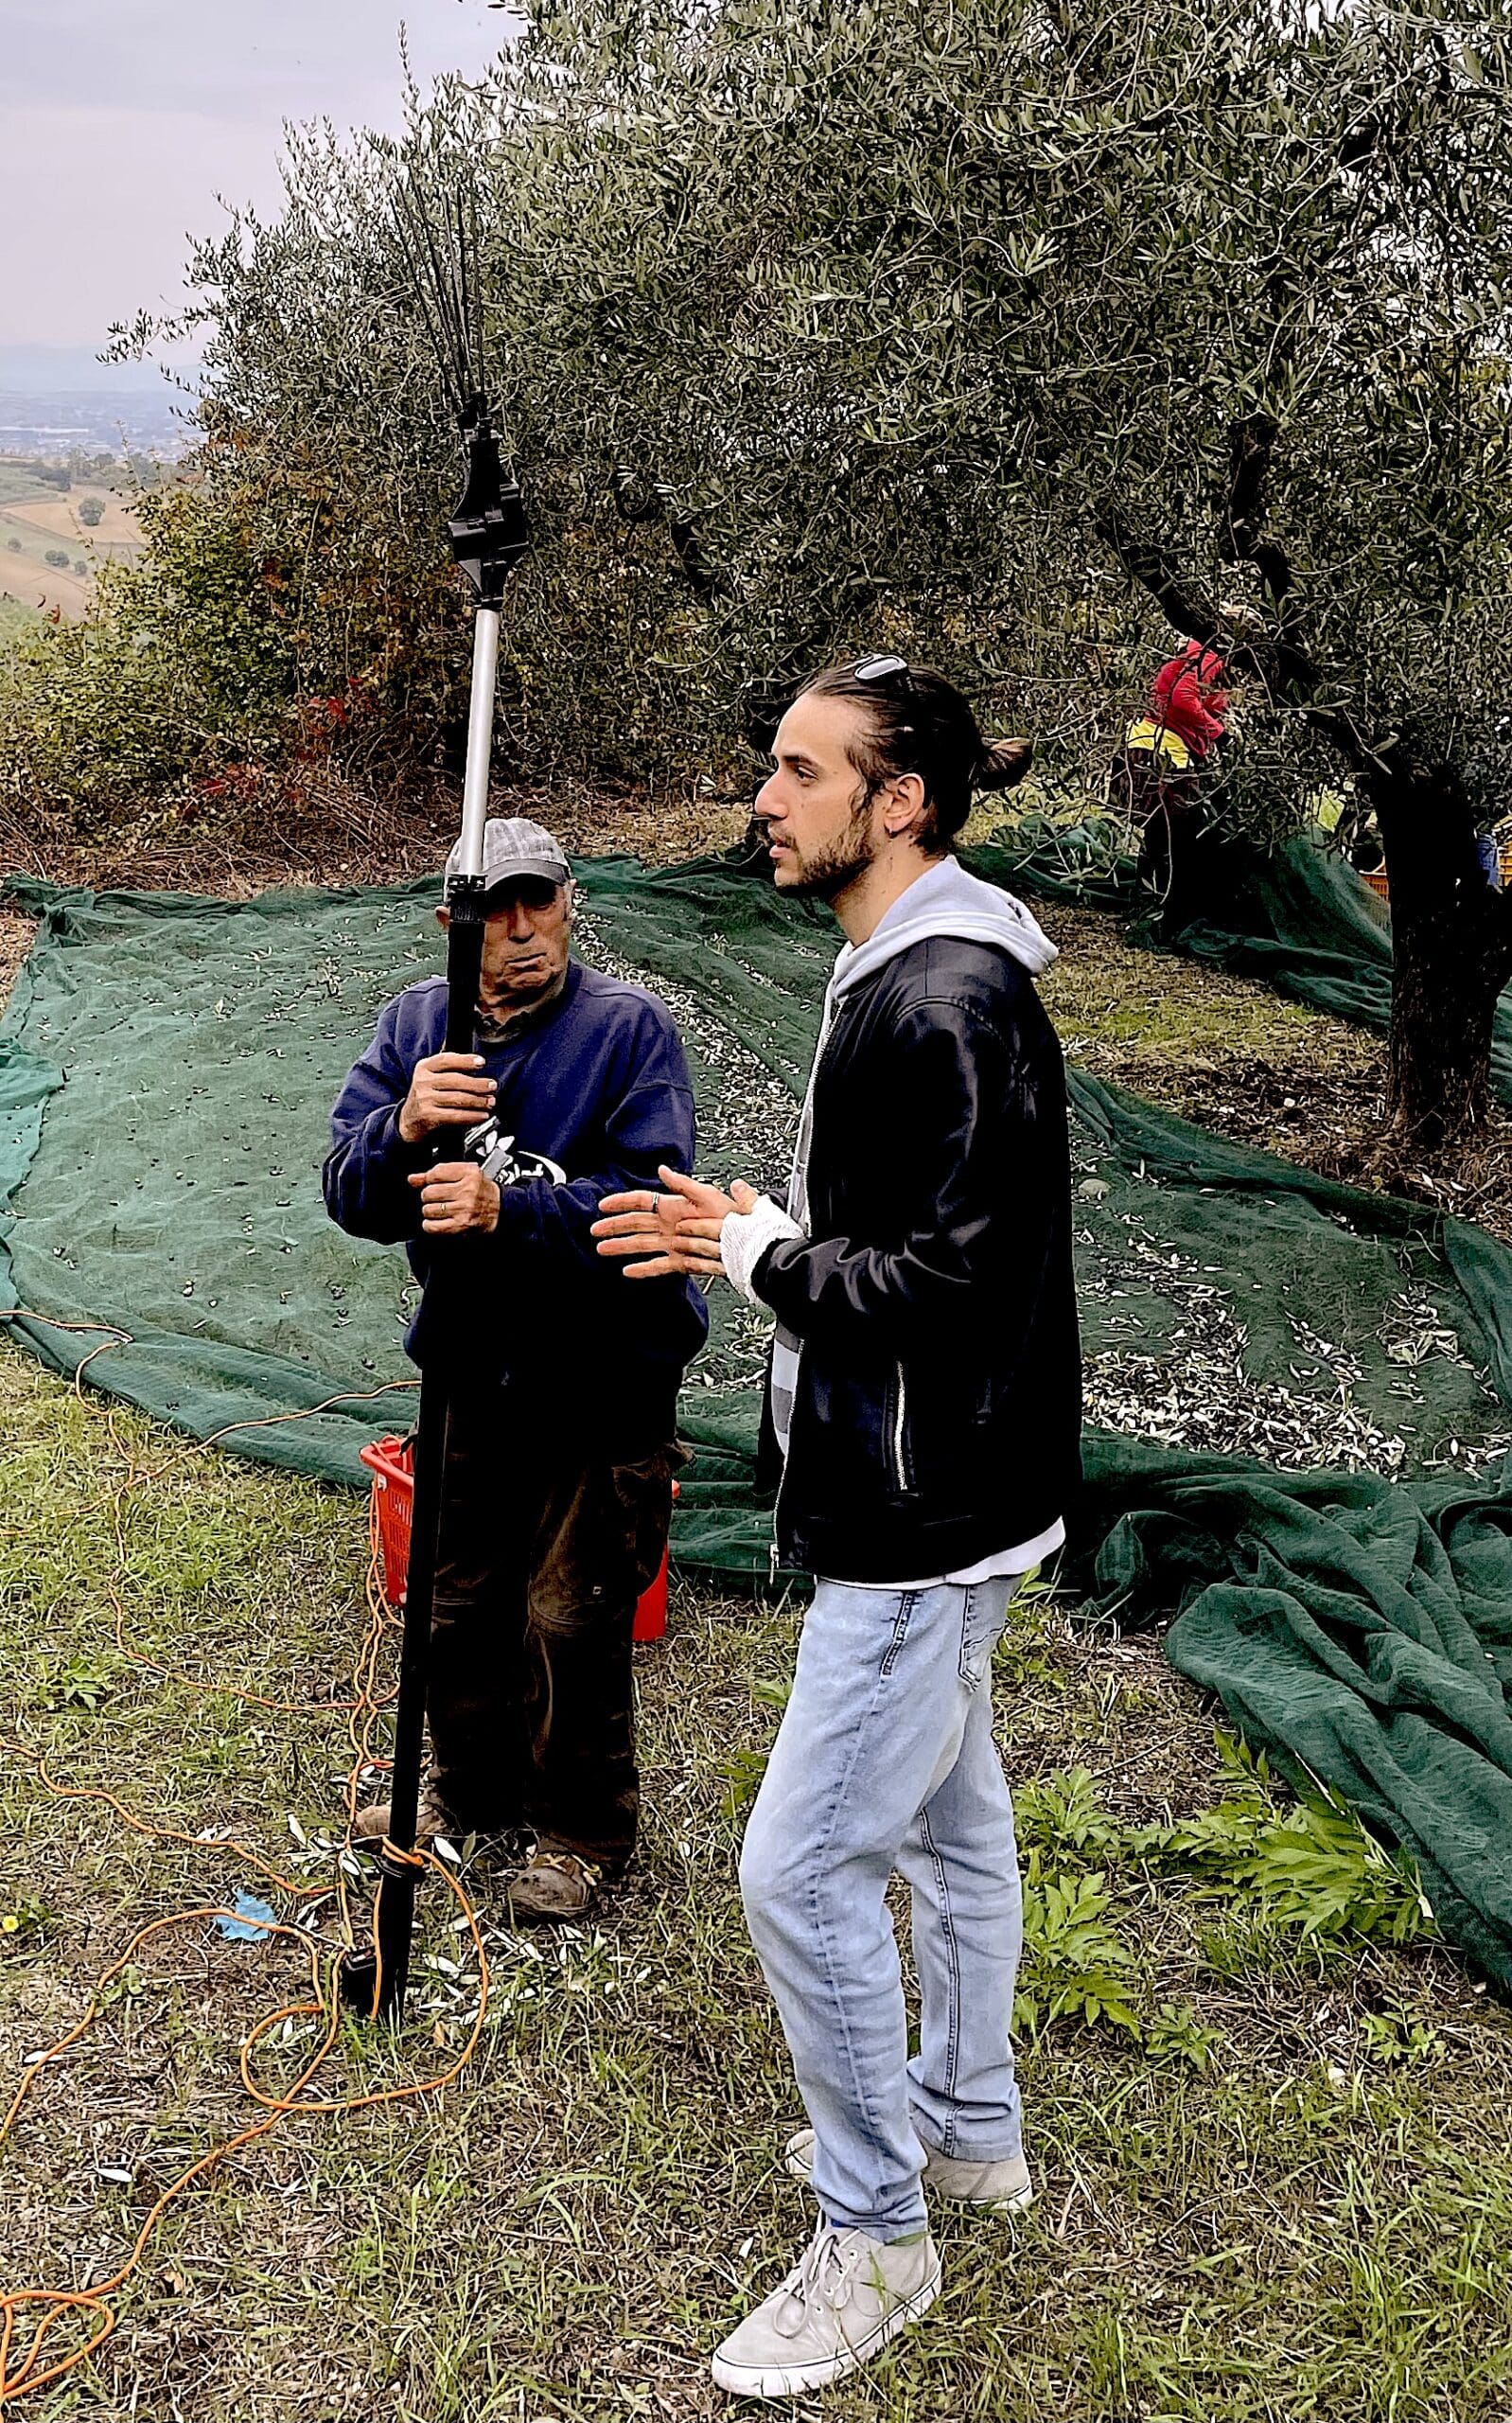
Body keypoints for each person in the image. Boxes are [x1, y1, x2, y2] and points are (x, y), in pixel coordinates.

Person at [592, 659, 1081, 2396]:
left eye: (801, 772)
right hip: (952, 1483)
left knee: (797, 1873)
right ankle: (966, 2131)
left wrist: (753, 1256)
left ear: (901, 802)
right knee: (949, 1825)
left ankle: (877, 2234)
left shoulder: (943, 995)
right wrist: (771, 1234)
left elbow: (950, 1289)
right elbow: (929, 1235)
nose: (763, 798)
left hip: (919, 1509)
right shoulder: (908, 966)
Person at [325, 817, 706, 1920]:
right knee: (457, 1601)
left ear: (570, 901)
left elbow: (652, 1205)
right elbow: (347, 1189)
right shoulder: (418, 1029)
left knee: (569, 1614)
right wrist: (403, 1128)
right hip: (471, 1365)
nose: (523, 927)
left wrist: (511, 1209)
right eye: (495, 908)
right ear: (452, 923)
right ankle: (471, 1790)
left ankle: (581, 1831)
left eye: (539, 900)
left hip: (603, 1373)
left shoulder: (626, 1032)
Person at [1113, 637, 1231, 912]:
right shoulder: (1208, 657)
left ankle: (1149, 900)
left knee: (1160, 832)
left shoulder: (1196, 656)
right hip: (1163, 751)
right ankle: (1160, 904)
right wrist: (1219, 733)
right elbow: (1183, 698)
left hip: (1151, 744)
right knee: (1172, 831)